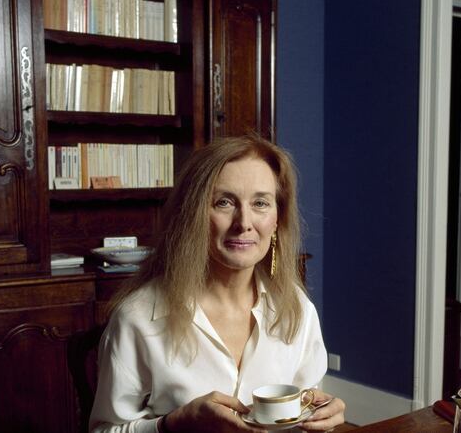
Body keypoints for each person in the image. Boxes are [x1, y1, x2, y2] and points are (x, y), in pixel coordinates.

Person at [90, 135, 346, 432]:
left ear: (277, 220)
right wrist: (174, 423)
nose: (244, 222)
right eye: (224, 202)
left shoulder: (298, 311)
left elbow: (305, 408)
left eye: (260, 203)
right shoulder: (138, 318)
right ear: (193, 215)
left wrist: (322, 417)